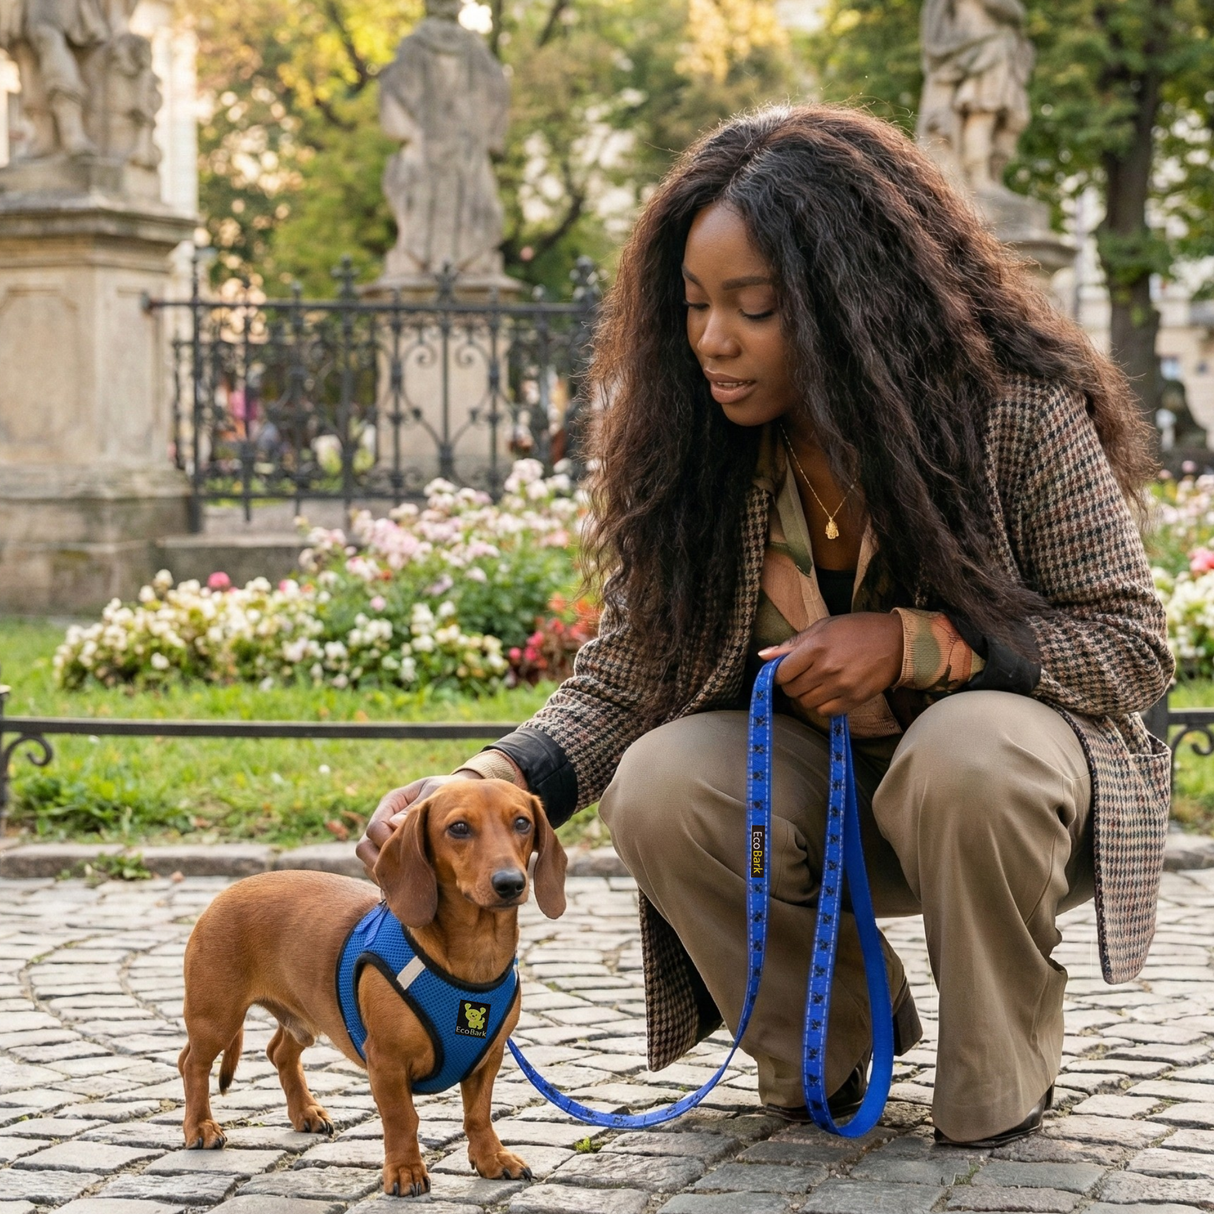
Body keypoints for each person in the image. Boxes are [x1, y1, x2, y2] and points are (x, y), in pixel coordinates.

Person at [357, 104, 1172, 1147]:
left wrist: (919, 642)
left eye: (751, 306)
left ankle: (996, 1068)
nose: (709, 338)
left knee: (961, 748)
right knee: (656, 777)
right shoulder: (696, 445)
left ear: (848, 304)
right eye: (693, 303)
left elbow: (1127, 642)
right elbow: (622, 678)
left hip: (1006, 803)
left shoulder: (1013, 406)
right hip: (812, 805)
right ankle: (828, 1040)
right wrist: (477, 778)